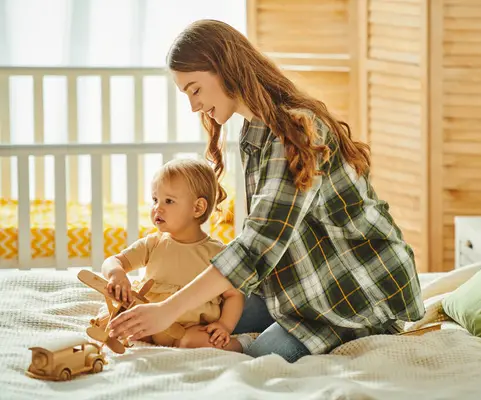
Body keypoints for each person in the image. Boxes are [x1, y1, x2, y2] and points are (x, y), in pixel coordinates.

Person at [108, 19, 425, 363]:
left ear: (222, 68)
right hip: (302, 283)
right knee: (204, 318)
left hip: (355, 290)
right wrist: (166, 309)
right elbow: (265, 242)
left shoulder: (296, 131)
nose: (194, 107)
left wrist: (169, 309)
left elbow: (258, 243)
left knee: (256, 355)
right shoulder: (253, 133)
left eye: (195, 90)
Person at [101, 158, 245, 352]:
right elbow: (114, 261)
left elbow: (234, 295)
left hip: (190, 328)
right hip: (150, 322)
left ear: (197, 208)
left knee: (195, 342)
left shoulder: (217, 252)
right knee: (120, 323)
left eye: (168, 201)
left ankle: (242, 344)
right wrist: (116, 274)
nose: (157, 208)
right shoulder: (153, 243)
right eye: (155, 200)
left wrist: (225, 326)